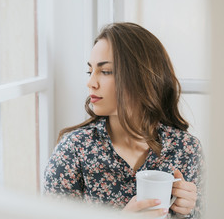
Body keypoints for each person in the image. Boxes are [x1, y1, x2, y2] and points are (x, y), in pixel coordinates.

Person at [43, 22, 205, 218]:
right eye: (90, 71)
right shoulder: (74, 150)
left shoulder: (186, 149)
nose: (90, 83)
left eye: (105, 71)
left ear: (141, 78)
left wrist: (188, 212)